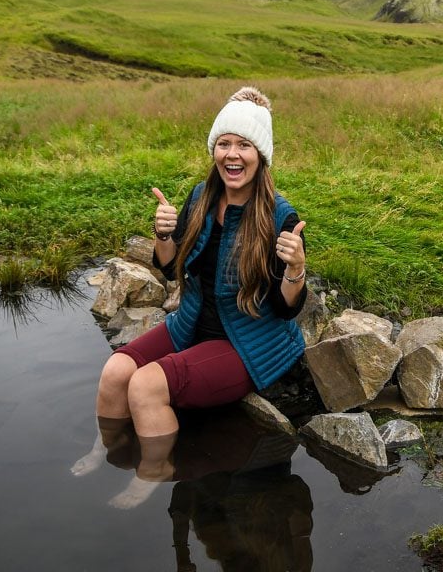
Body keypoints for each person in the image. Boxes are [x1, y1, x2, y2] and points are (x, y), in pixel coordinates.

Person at [88, 86, 309, 442]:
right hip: (192, 323)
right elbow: (170, 268)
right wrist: (163, 237)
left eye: (244, 145)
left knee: (145, 387)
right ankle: (108, 450)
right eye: (224, 144)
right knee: (116, 371)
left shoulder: (280, 218)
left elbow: (286, 309)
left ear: (260, 155)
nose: (232, 155)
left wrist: (295, 268)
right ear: (214, 150)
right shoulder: (200, 197)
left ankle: (152, 474)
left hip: (246, 342)